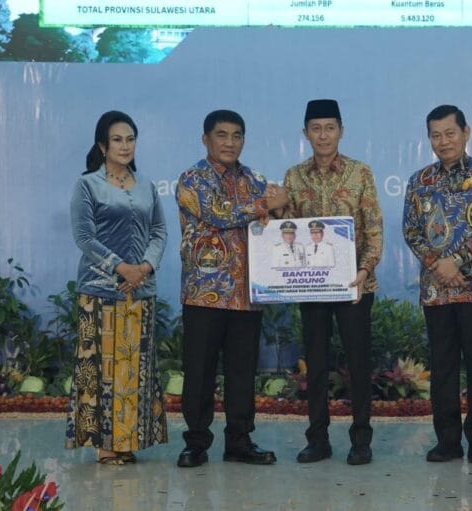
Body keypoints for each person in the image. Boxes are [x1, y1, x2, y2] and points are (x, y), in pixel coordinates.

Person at [175, 109, 289, 467]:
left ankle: (239, 441)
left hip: (247, 294)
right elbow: (218, 213)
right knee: (199, 372)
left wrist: (278, 211)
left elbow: (279, 218)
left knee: (242, 373)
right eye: (221, 135)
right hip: (204, 293)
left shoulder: (255, 179)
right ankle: (196, 443)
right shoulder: (192, 179)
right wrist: (265, 205)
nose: (229, 142)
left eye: (236, 135)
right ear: (205, 139)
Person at [402, 104, 472, 464]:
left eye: (450, 133)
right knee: (443, 368)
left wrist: (457, 260)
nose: (443, 141)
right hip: (437, 291)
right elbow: (411, 231)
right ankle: (446, 441)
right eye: (436, 135)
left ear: (466, 132)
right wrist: (438, 265)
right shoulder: (419, 181)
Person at [282, 99, 383, 465]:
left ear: (341, 131)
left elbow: (374, 230)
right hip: (311, 287)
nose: (323, 135)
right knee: (316, 365)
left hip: (355, 285)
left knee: (358, 364)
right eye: (316, 129)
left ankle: (361, 440)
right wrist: (273, 210)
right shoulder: (294, 177)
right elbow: (285, 229)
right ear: (305, 133)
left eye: (329, 128)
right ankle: (318, 439)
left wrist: (364, 271)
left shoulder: (360, 173)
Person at [66, 110, 168, 465]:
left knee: (133, 369)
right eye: (117, 140)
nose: (125, 146)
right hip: (99, 290)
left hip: (141, 290)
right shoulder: (87, 185)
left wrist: (144, 268)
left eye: (130, 139)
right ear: (102, 146)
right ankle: (104, 445)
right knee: (101, 370)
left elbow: (159, 231)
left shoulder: (146, 185)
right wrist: (121, 267)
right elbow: (84, 237)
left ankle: (127, 441)